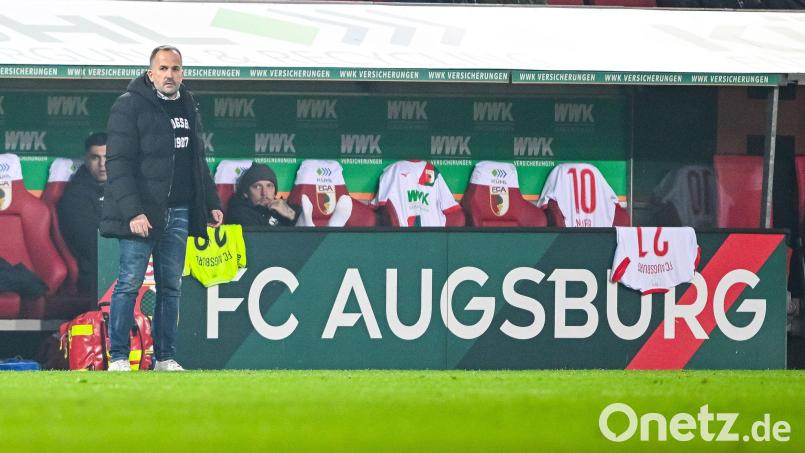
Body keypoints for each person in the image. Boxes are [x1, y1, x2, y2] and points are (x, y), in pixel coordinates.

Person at [100, 45, 223, 372]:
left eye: (176, 69)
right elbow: (118, 164)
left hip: (180, 210)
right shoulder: (128, 105)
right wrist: (133, 213)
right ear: (151, 73)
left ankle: (165, 358)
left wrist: (211, 203)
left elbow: (197, 161)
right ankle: (120, 358)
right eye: (164, 69)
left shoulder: (188, 105)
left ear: (182, 72)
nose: (170, 75)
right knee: (129, 283)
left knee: (171, 287)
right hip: (143, 213)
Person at [58, 132, 107, 295]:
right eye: (95, 158)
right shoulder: (75, 195)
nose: (102, 164)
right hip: (95, 273)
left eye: (107, 157)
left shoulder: (126, 188)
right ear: (86, 160)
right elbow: (90, 245)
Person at [226, 163, 301, 226]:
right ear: (245, 193)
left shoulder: (284, 209)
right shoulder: (239, 214)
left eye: (269, 186)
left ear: (275, 192)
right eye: (257, 187)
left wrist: (291, 214)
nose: (264, 193)